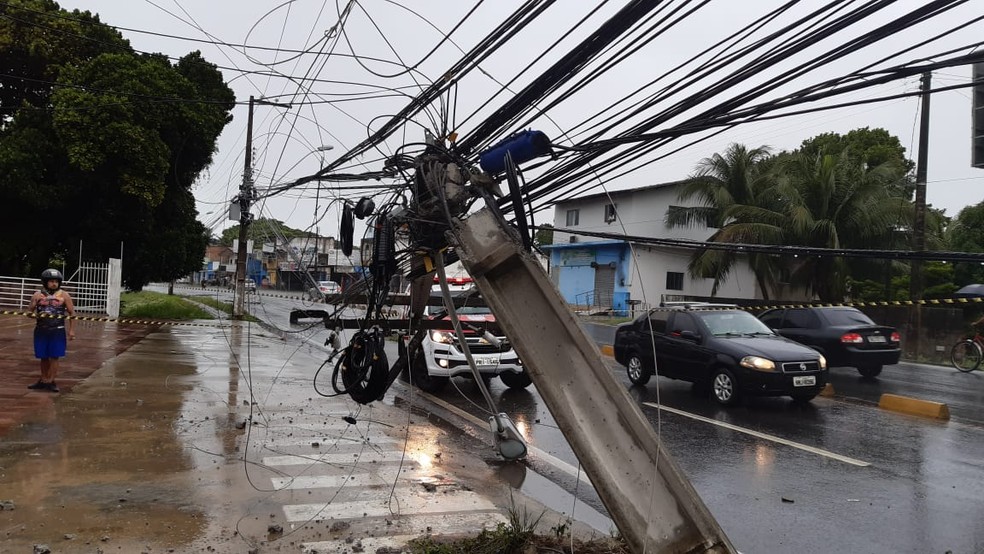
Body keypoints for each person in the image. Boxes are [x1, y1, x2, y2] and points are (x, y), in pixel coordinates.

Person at [27, 268, 75, 392]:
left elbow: (71, 313)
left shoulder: (64, 295)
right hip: (41, 330)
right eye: (51, 281)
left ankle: (51, 380)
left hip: (57, 330)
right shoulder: (37, 295)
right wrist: (33, 314)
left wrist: (71, 330)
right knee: (43, 356)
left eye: (56, 281)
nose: (54, 283)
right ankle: (43, 379)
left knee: (55, 356)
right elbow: (30, 311)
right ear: (45, 282)